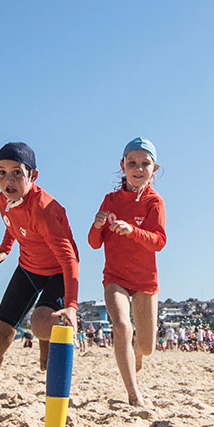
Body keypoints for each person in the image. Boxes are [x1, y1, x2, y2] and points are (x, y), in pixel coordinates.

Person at [0, 142, 79, 400]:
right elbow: (12, 224)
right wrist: (4, 250)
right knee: (0, 333)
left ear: (33, 175)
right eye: (1, 172)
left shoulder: (45, 210)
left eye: (16, 173)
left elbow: (69, 260)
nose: (8, 180)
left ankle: (48, 335)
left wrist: (72, 305)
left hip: (58, 271)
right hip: (28, 268)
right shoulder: (4, 199)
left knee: (39, 323)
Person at [87, 138, 166, 406]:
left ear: (154, 169)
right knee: (121, 326)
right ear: (122, 165)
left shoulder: (154, 202)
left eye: (145, 163)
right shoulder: (110, 200)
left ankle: (138, 353)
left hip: (145, 281)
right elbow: (94, 243)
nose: (138, 168)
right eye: (132, 162)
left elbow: (159, 241)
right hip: (115, 279)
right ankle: (134, 395)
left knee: (146, 346)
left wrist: (133, 231)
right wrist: (97, 225)